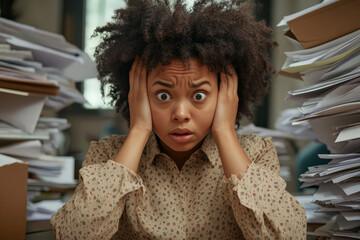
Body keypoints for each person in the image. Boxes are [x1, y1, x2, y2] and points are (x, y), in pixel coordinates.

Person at [51, 0, 307, 239]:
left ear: (226, 96)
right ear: (138, 95)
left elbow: (288, 234)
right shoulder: (108, 155)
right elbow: (75, 233)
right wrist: (139, 128)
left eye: (199, 95)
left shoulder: (256, 153)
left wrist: (225, 131)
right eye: (163, 95)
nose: (181, 113)